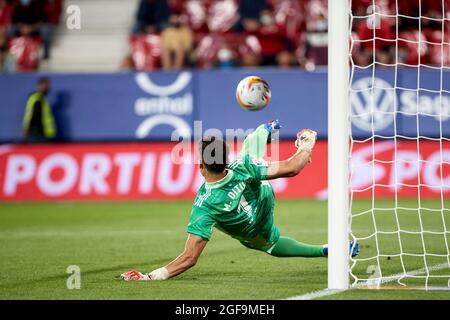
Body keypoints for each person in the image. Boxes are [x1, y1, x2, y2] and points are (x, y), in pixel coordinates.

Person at [120, 120, 359, 281]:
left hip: (255, 231)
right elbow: (293, 168)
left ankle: (326, 250)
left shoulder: (204, 206)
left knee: (270, 244)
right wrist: (306, 145)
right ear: (225, 160)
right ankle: (267, 127)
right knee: (249, 154)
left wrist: (150, 276)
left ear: (201, 166)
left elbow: (189, 259)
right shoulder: (240, 165)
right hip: (264, 196)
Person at [22, 77, 57, 142]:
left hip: (43, 133)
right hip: (37, 133)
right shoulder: (37, 99)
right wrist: (27, 129)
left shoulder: (41, 98)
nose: (47, 88)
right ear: (39, 85)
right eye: (45, 86)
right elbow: (32, 116)